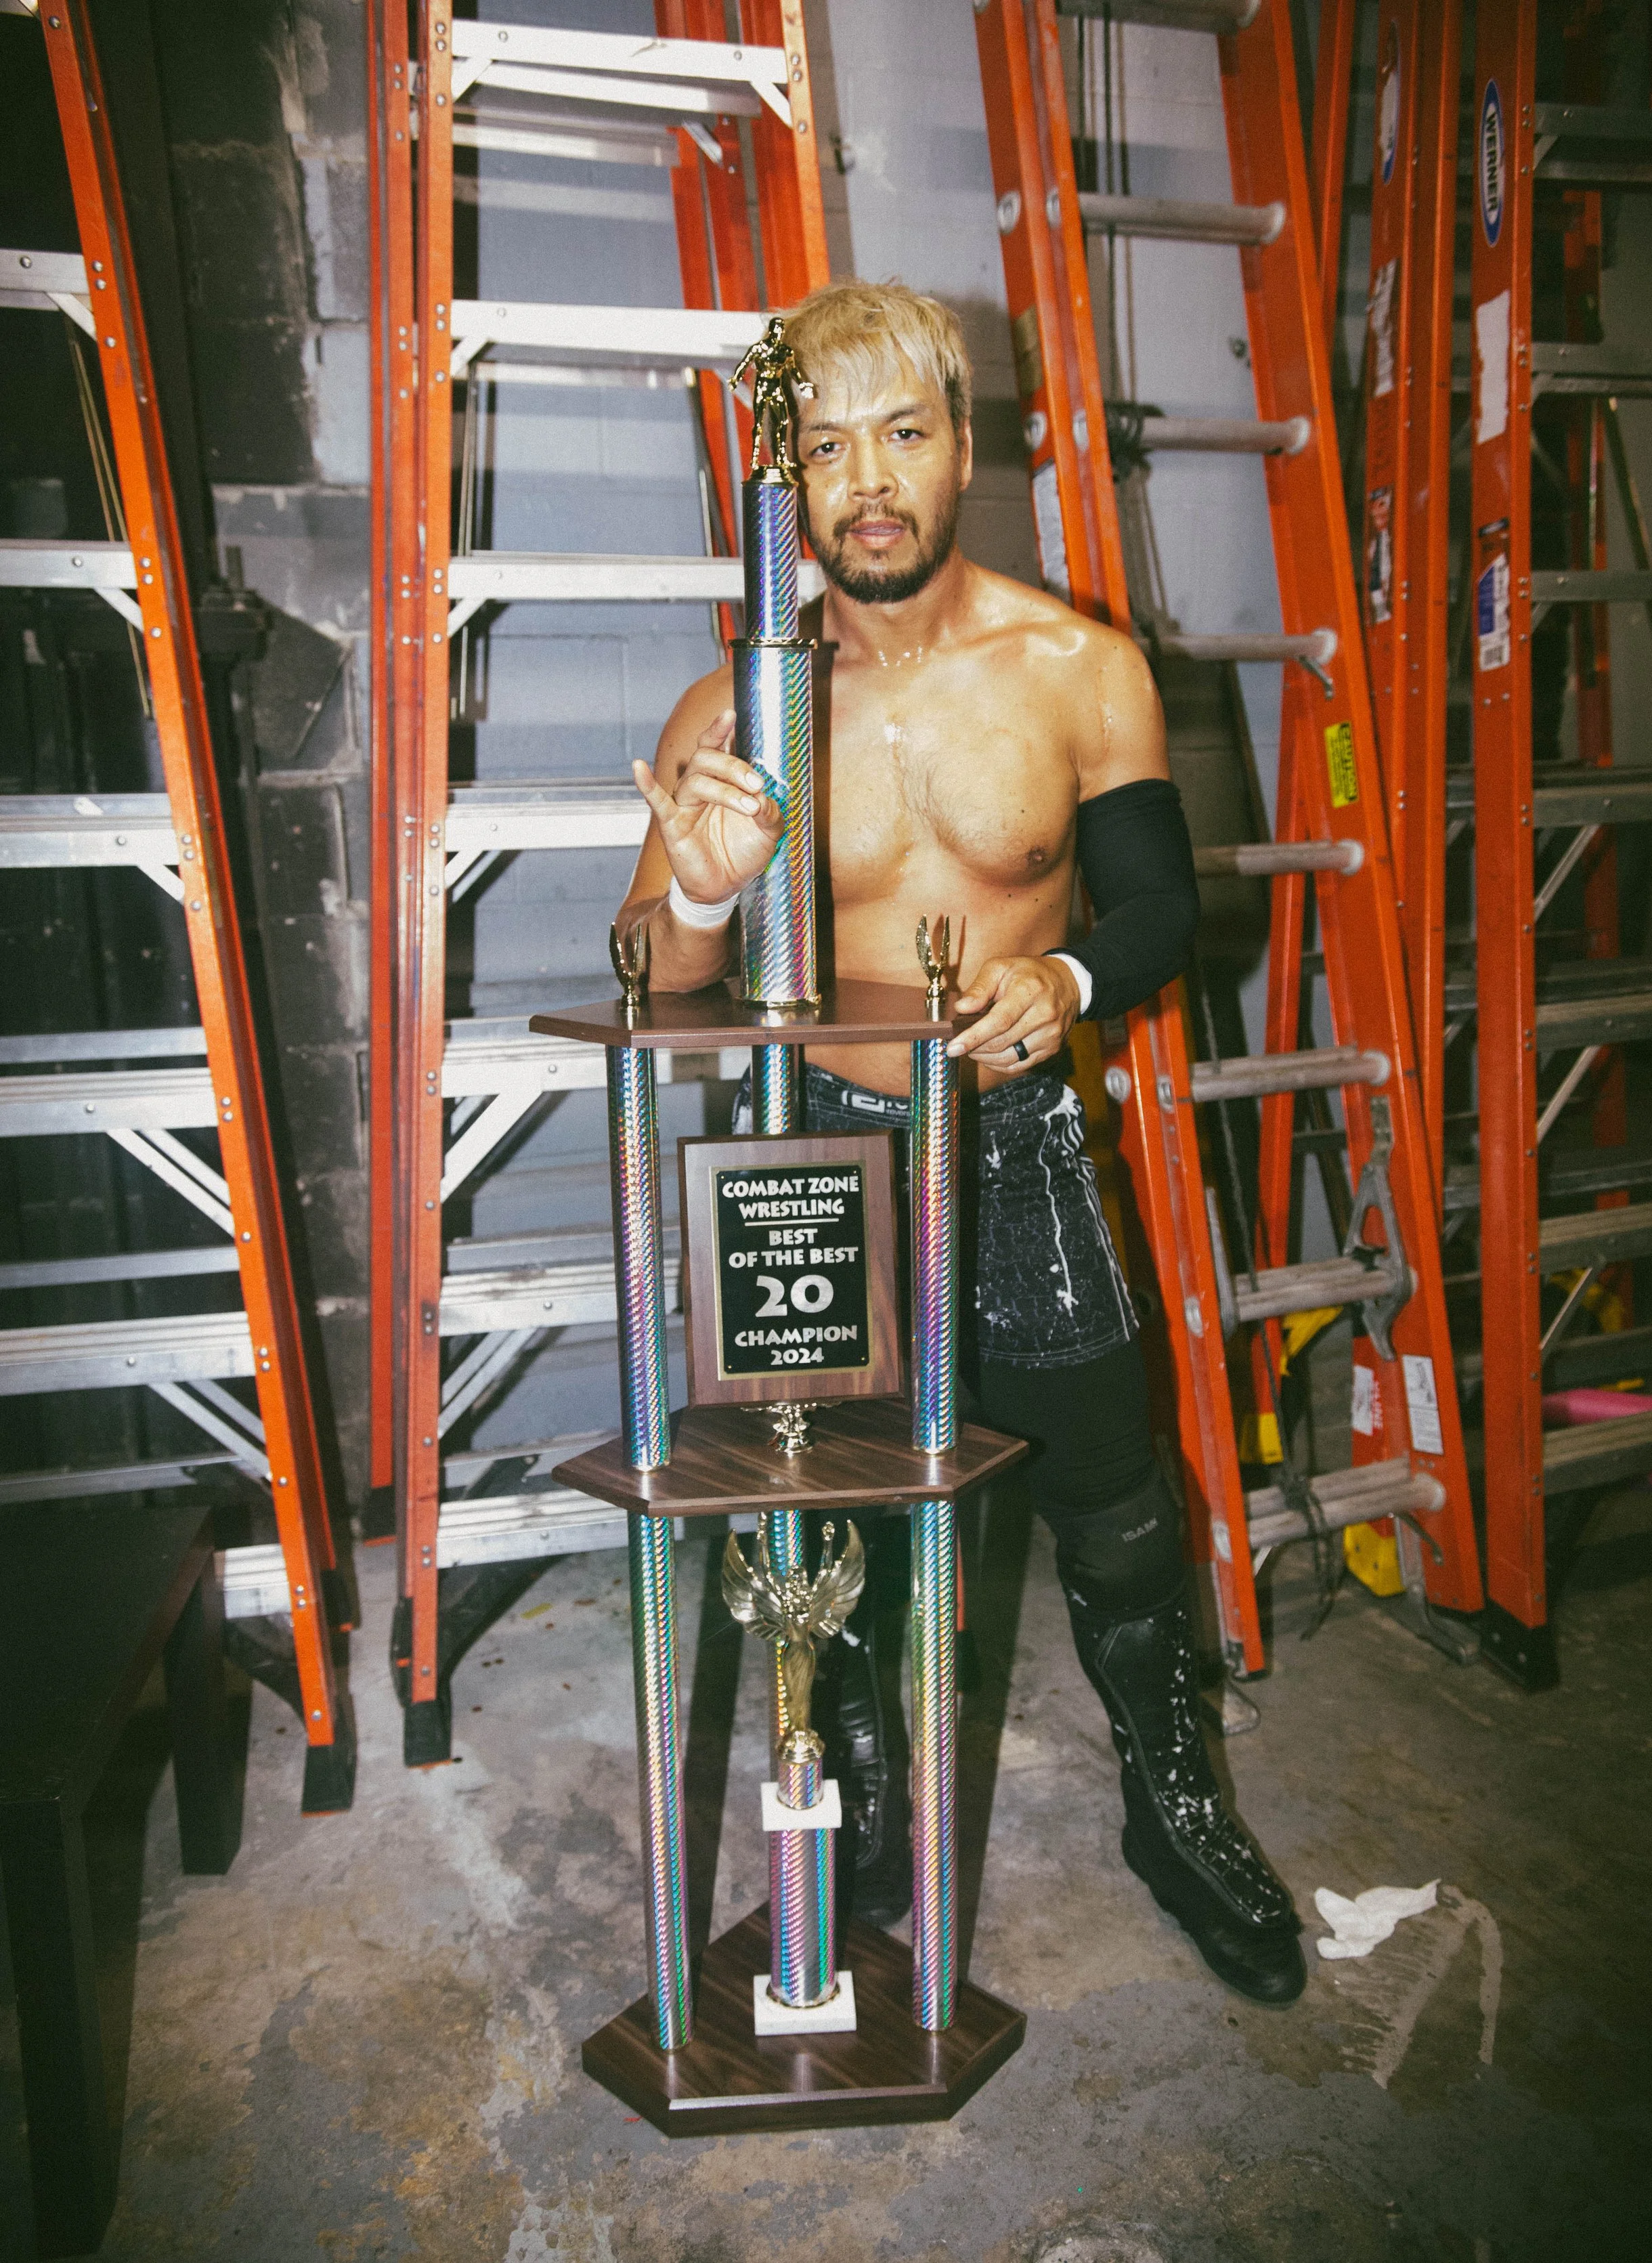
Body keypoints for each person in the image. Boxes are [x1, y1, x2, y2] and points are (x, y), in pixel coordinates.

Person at [615, 280, 1305, 2006]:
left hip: (1015, 1144)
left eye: (900, 435)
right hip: (818, 1166)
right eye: (826, 443)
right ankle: (857, 1819)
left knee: (1114, 1506)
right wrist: (700, 887)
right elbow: (637, 966)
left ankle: (1172, 1807)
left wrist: (1064, 973)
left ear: (960, 448)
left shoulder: (1076, 665)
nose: (866, 479)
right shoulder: (736, 706)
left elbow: (1157, 909)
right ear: (785, 471)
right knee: (825, 1526)